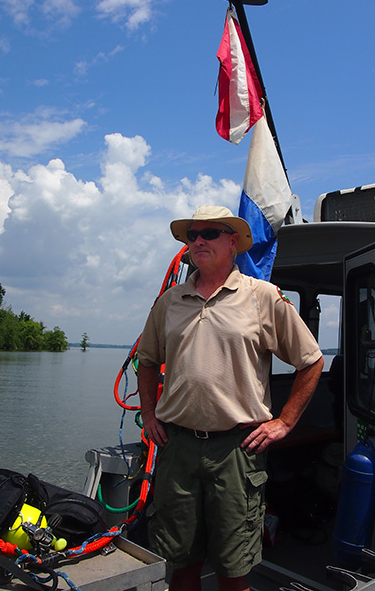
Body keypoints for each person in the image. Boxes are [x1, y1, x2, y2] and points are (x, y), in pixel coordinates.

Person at [137, 205, 323, 591]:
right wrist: (149, 414)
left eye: (210, 232)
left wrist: (284, 421)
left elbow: (311, 360)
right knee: (181, 563)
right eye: (193, 235)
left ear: (233, 241)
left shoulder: (262, 297)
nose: (199, 241)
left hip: (238, 452)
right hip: (178, 447)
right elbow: (148, 360)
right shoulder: (169, 302)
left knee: (233, 569)